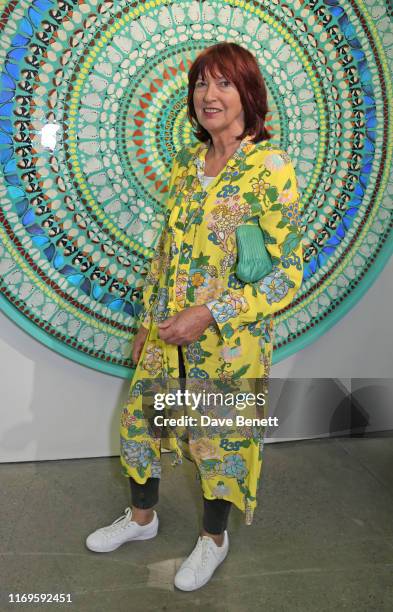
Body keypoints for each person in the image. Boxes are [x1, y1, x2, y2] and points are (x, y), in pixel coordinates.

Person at [86, 42, 303, 591]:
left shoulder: (269, 168)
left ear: (248, 95)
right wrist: (145, 320)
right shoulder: (188, 161)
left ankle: (213, 540)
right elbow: (167, 250)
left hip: (227, 341)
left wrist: (210, 313)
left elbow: (286, 273)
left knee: (219, 440)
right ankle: (141, 521)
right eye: (202, 83)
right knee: (141, 423)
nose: (209, 95)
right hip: (167, 331)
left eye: (224, 84)